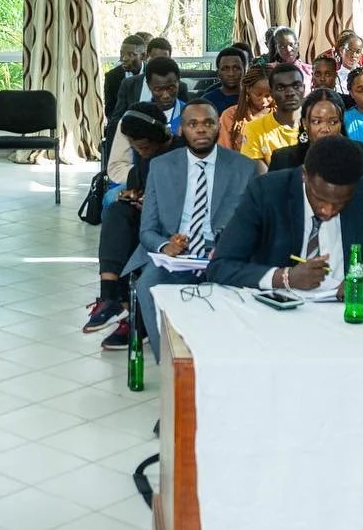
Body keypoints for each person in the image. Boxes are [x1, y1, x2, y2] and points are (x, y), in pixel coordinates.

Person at [124, 101, 258, 351]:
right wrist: (165, 246)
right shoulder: (161, 167)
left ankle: (225, 357)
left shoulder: (244, 168)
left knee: (239, 292)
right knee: (147, 285)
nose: (201, 130)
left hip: (222, 254)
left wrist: (228, 247)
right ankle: (167, 361)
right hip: (173, 256)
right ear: (181, 130)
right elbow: (147, 230)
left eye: (208, 123)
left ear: (218, 126)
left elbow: (254, 226)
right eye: (192, 124)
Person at [208, 136, 363, 294]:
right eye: (320, 199)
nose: (328, 210)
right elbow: (221, 266)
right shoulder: (267, 192)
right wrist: (285, 277)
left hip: (341, 313)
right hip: (277, 315)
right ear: (304, 175)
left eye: (340, 204)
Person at [85, 104, 176, 343]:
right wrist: (133, 196)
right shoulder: (146, 157)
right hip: (147, 218)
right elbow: (139, 187)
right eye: (135, 147)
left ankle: (132, 316)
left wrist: (153, 206)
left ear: (159, 138)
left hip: (175, 226)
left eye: (143, 147)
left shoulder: (180, 154)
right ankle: (111, 297)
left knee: (130, 232)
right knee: (116, 211)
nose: (140, 152)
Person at [268, 89, 363, 182]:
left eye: (333, 122)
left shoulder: (360, 153)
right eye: (316, 122)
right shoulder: (283, 159)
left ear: (341, 122)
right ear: (304, 123)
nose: (325, 129)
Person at [106, 60, 184, 195]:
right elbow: (117, 166)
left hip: (179, 183)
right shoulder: (132, 118)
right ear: (148, 86)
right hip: (138, 181)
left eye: (171, 87)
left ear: (179, 82)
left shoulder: (190, 116)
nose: (165, 95)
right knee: (111, 201)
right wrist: (144, 179)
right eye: (158, 89)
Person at [238, 64, 304, 170]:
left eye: (296, 86)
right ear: (272, 93)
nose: (290, 92)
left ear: (303, 88)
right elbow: (262, 180)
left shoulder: (317, 123)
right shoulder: (254, 129)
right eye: (281, 88)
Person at [109, 37, 191, 117]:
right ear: (146, 57)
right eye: (155, 60)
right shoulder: (129, 84)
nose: (159, 64)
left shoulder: (181, 87)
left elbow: (187, 116)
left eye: (164, 59)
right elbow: (116, 118)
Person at [219, 64, 273, 153]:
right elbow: (225, 152)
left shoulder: (279, 114)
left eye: (269, 95)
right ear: (248, 89)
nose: (264, 100)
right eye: (258, 94)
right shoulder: (230, 115)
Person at [104, 34, 148, 119]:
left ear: (143, 56)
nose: (124, 58)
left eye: (131, 54)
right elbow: (110, 110)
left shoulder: (152, 74)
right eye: (122, 53)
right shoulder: (112, 77)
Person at [201, 47, 247, 116]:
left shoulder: (253, 98)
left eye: (236, 68)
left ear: (245, 71)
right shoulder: (207, 102)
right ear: (218, 73)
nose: (231, 73)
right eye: (225, 68)